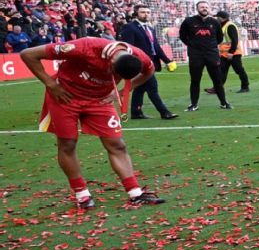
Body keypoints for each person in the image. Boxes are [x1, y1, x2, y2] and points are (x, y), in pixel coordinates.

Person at [20, 37, 165, 208]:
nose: (115, 77)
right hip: (66, 97)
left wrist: (124, 90)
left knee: (117, 144)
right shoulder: (84, 47)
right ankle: (82, 194)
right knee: (67, 144)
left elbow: (149, 70)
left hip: (100, 100)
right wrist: (51, 84)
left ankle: (135, 193)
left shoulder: (140, 56)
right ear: (111, 62)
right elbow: (28, 54)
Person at [119, 5, 178, 120]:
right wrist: (134, 64)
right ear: (136, 14)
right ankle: (164, 112)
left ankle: (136, 112)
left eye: (148, 12)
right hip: (140, 64)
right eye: (143, 12)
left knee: (140, 88)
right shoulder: (129, 27)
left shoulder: (150, 28)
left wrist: (167, 61)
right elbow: (128, 47)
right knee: (152, 87)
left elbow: (156, 47)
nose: (146, 14)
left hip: (151, 63)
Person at [178, 1, 230, 111]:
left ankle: (224, 103)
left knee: (217, 80)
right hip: (195, 55)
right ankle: (194, 104)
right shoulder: (189, 21)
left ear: (209, 8)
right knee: (195, 80)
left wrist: (210, 46)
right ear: (197, 8)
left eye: (206, 7)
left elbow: (219, 38)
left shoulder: (215, 22)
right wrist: (192, 45)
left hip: (212, 55)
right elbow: (182, 36)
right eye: (202, 7)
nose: (204, 8)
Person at [214, 11, 250, 94]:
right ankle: (217, 88)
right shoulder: (223, 25)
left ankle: (245, 87)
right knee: (221, 71)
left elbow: (235, 40)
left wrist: (231, 52)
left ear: (222, 18)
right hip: (224, 53)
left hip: (234, 53)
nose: (216, 18)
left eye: (217, 17)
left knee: (239, 70)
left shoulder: (230, 26)